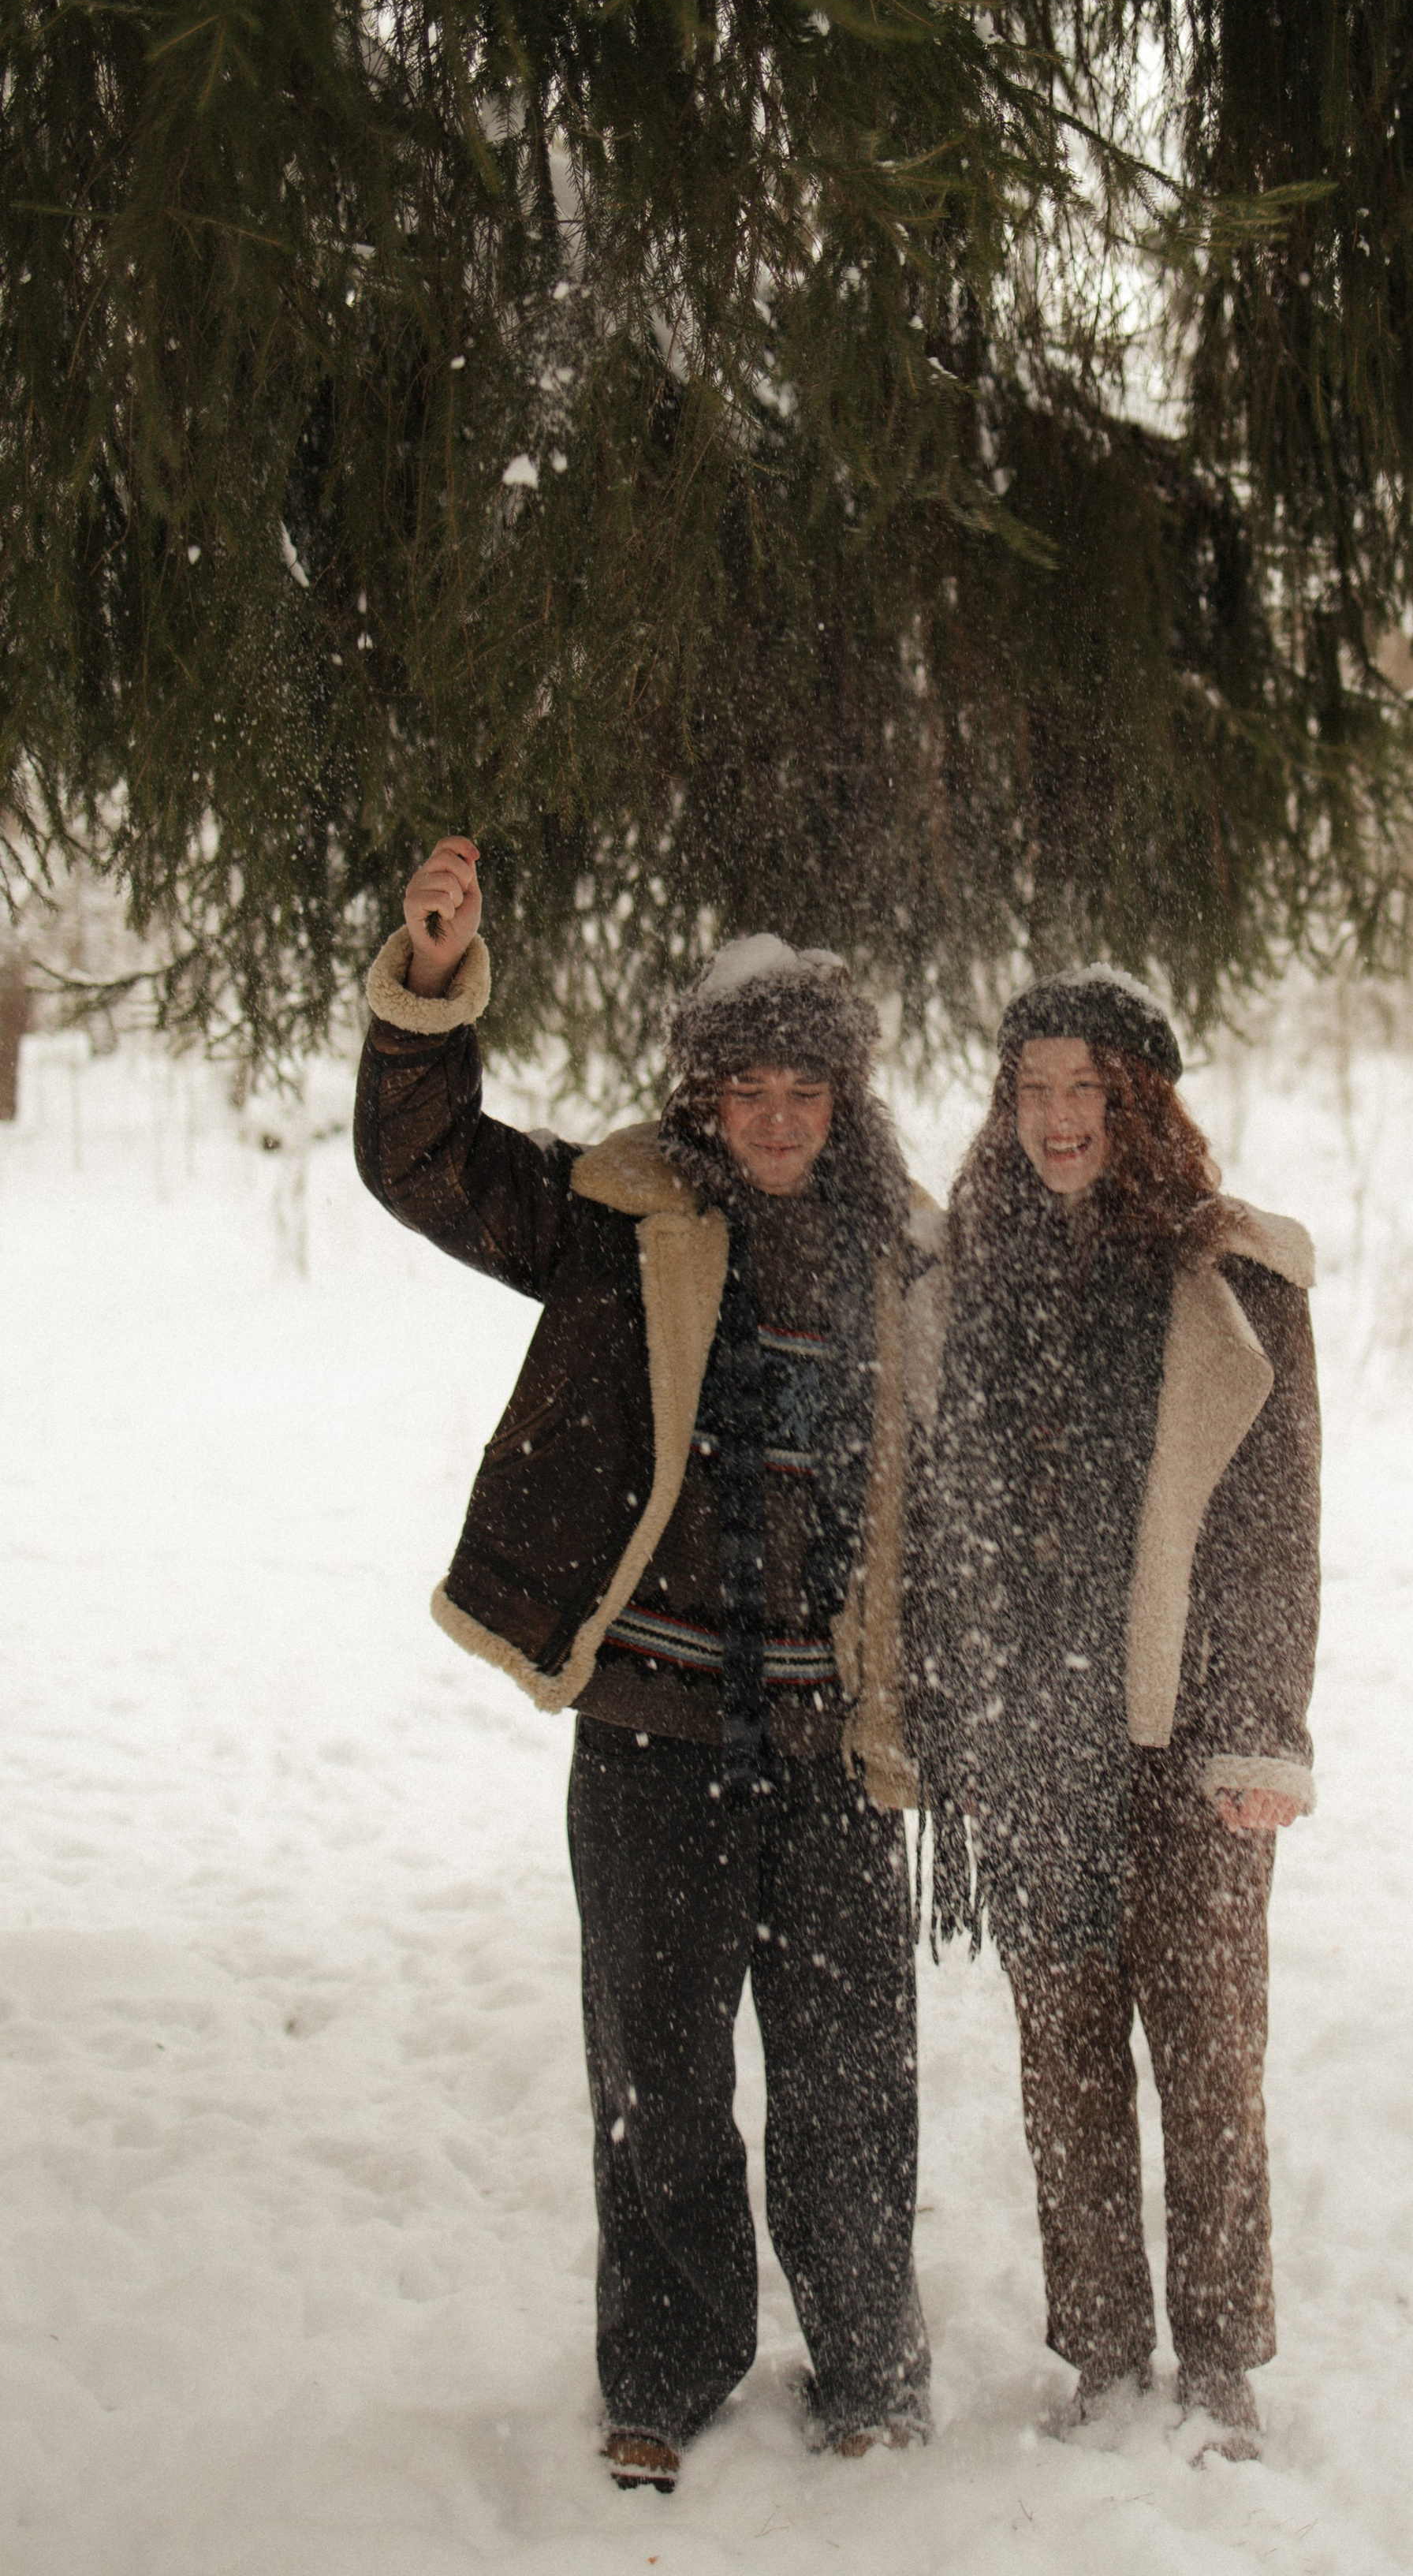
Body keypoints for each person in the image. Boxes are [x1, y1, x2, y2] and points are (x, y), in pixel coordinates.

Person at [355, 838, 940, 2495]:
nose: (772, 1119)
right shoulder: (612, 1216)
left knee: (847, 2079)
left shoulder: (902, 1256)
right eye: (743, 1088)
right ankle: (669, 2366)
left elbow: (956, 1478)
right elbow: (423, 1166)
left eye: (802, 1091)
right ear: (698, 1097)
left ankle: (869, 2362)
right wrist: (428, 984)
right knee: (659, 2073)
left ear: (841, 1100)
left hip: (832, 1745)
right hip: (648, 1733)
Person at [908, 969, 1319, 2461]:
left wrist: (1261, 1730)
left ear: (1142, 1102)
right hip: (1032, 1736)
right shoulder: (969, 1274)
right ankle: (1101, 2350)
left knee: (1210, 2062)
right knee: (1067, 2061)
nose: (1059, 1119)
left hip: (1185, 1732)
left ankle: (1218, 2359)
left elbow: (1274, 1528)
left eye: (1087, 1090)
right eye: (1033, 1090)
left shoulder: (1227, 1279)